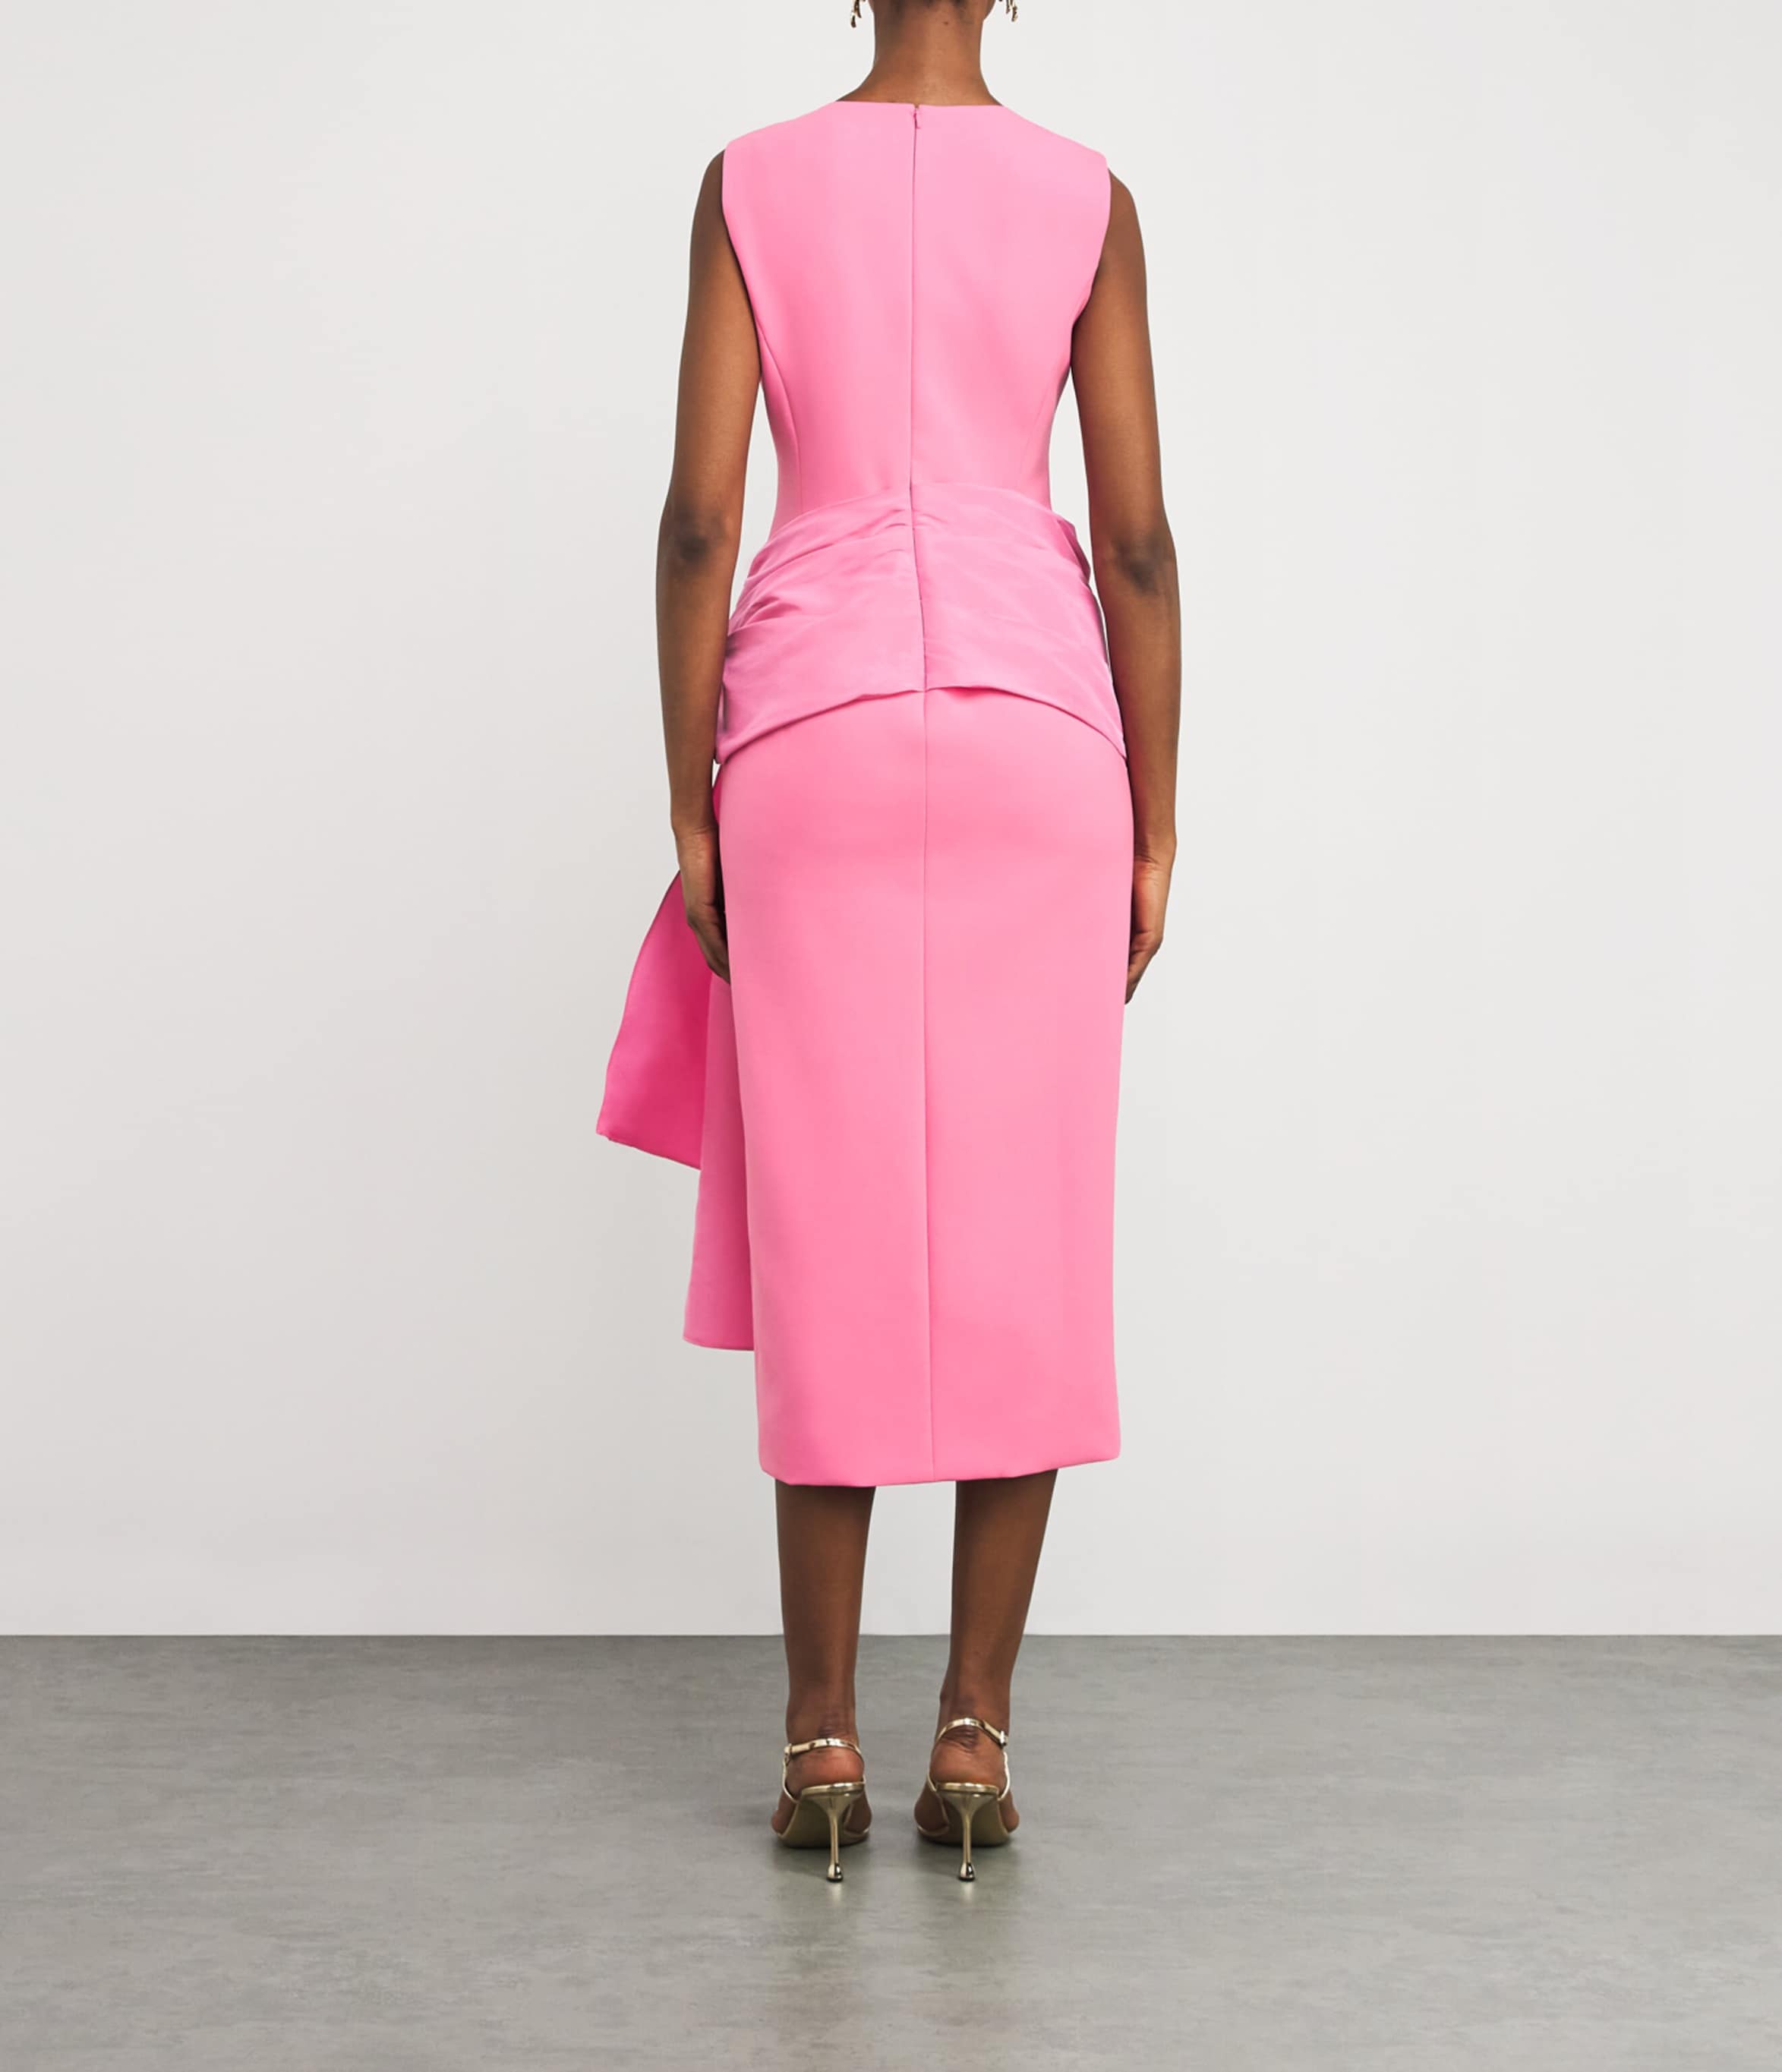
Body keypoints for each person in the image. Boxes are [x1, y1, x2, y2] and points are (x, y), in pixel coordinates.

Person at [601, 0, 1179, 1881]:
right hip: (1037, 729)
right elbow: (1139, 542)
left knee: (828, 1230)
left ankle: (822, 1743)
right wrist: (1159, 824)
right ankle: (977, 1739)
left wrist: (690, 797)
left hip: (814, 727)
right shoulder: (1086, 196)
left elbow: (699, 522)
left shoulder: (752, 184)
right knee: (1027, 1230)